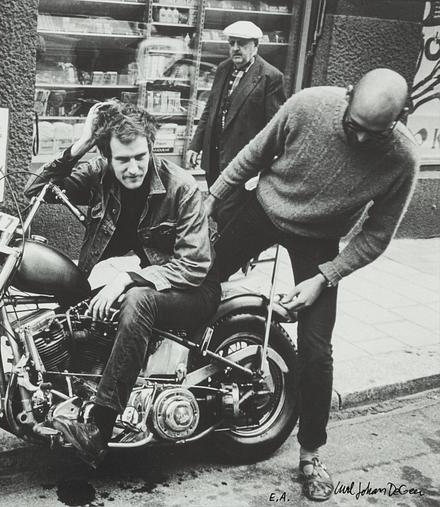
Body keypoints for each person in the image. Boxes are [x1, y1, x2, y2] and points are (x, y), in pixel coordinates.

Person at [203, 68, 419, 501]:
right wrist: (211, 200)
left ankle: (311, 454)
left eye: (373, 134)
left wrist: (327, 276)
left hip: (320, 239)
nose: (359, 140)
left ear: (398, 120)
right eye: (353, 127)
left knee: (318, 352)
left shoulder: (402, 159)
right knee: (197, 284)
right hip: (261, 209)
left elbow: (376, 235)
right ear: (347, 95)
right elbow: (254, 155)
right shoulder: (309, 105)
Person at [24, 101, 221, 467]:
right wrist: (83, 141)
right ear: (107, 157)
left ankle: (100, 427)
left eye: (140, 157)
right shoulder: (99, 174)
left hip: (190, 289)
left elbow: (195, 265)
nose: (132, 168)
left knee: (138, 300)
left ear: (150, 147)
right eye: (122, 160)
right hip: (125, 280)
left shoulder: (182, 188)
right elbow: (34, 190)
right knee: (70, 303)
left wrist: (129, 278)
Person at [186, 20, 285, 224]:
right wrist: (195, 145)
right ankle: (217, 249)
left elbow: (274, 126)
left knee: (229, 214)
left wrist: (262, 167)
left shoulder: (270, 76)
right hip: (214, 157)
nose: (235, 49)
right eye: (232, 43)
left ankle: (224, 253)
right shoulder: (223, 68)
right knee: (216, 209)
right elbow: (210, 109)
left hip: (242, 162)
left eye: (241, 43)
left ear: (255, 45)